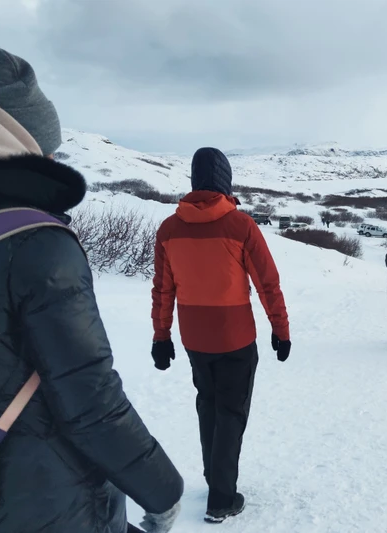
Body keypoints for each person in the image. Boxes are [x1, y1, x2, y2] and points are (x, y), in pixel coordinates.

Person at [0, 45, 183, 533]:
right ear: (23, 142)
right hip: (46, 498)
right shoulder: (38, 243)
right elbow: (89, 397)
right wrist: (162, 491)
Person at [151, 147, 291, 524]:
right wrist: (280, 330)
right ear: (226, 182)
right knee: (231, 412)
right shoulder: (241, 226)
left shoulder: (169, 229)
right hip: (236, 339)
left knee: (208, 405)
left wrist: (161, 336)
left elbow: (163, 290)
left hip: (195, 340)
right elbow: (267, 283)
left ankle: (215, 477)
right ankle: (222, 498)